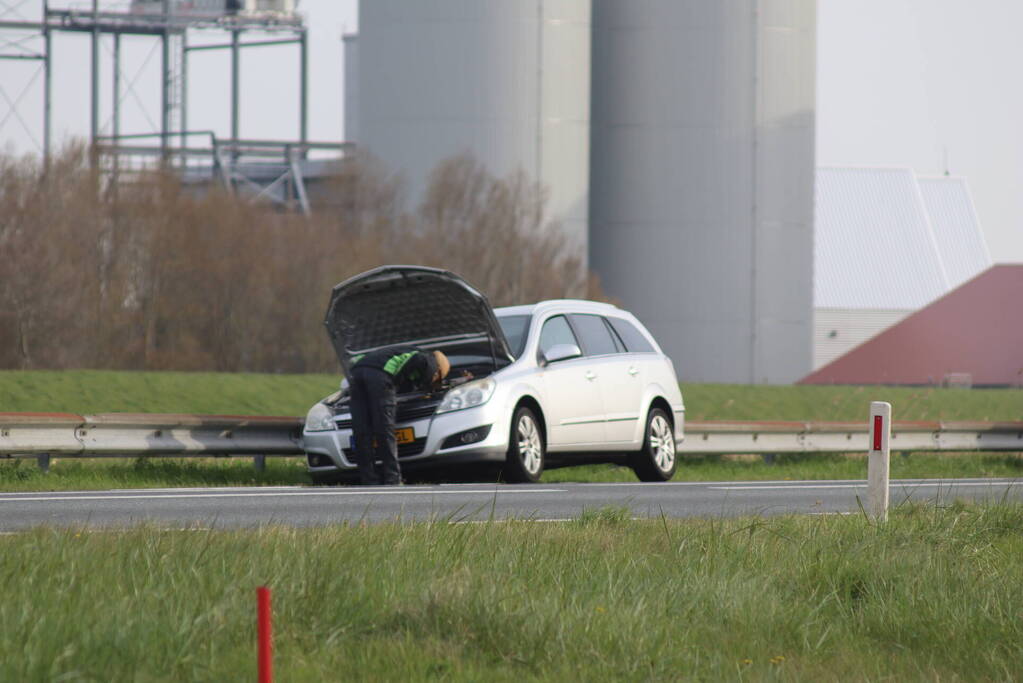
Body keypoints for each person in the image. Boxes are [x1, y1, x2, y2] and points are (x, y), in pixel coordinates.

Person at [348, 347, 450, 485]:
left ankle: (369, 480)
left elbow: (405, 376)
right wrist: (425, 386)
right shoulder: (427, 358)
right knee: (384, 430)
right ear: (438, 370)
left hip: (357, 371)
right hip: (379, 375)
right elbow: (423, 365)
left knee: (362, 432)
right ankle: (393, 478)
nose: (434, 381)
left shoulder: (401, 354)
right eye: (437, 378)